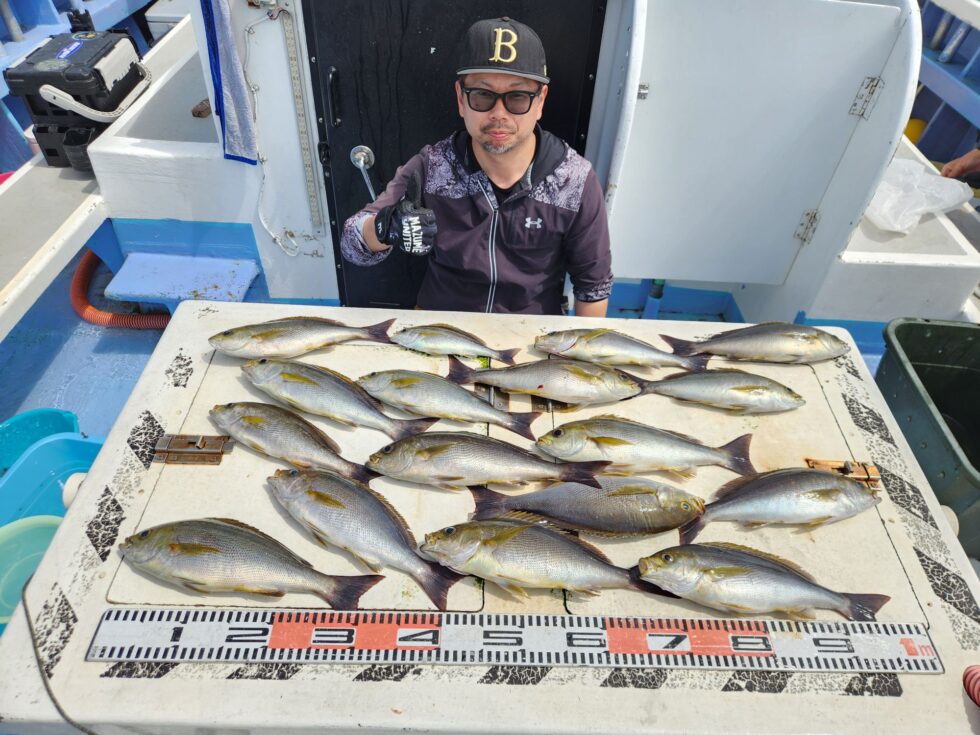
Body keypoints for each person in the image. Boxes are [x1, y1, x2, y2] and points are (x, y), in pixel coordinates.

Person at [340, 17, 613, 316]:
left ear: (540, 101)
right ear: (461, 98)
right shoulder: (433, 168)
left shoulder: (573, 180)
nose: (499, 113)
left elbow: (593, 287)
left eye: (518, 97)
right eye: (483, 95)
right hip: (442, 325)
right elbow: (353, 246)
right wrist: (385, 227)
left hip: (530, 332)